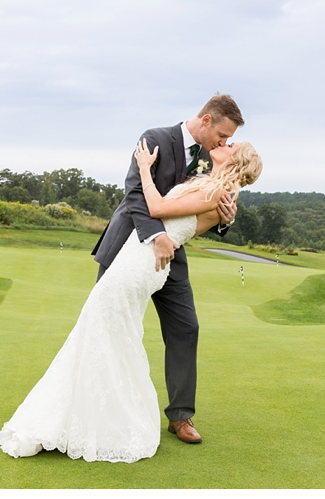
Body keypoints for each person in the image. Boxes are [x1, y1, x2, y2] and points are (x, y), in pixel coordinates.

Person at [0, 138, 262, 463]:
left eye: (232, 144)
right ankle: (87, 413)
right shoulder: (208, 183)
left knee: (105, 327)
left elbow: (158, 209)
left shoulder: (216, 193)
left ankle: (112, 419)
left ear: (235, 161)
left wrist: (145, 169)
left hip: (142, 262)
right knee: (103, 329)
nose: (225, 142)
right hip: (136, 253)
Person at [91, 94, 244, 444]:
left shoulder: (214, 158)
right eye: (221, 136)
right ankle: (101, 407)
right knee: (107, 323)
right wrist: (156, 234)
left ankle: (181, 416)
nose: (224, 144)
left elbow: (204, 209)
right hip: (128, 247)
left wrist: (224, 221)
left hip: (171, 255)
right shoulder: (156, 138)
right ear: (206, 120)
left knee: (186, 328)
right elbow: (134, 194)